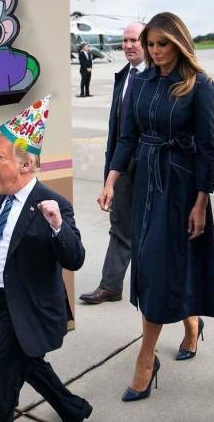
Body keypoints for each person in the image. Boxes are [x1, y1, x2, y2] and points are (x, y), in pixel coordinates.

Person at [98, 12, 214, 402]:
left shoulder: (199, 84)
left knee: (164, 263)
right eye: (150, 44)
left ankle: (145, 358)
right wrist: (110, 181)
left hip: (180, 186)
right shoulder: (141, 81)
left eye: (162, 44)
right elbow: (127, 137)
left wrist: (201, 202)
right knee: (153, 264)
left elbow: (206, 149)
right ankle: (191, 322)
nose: (155, 51)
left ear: (179, 42)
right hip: (145, 183)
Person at [0, 96, 93, 422]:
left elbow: (75, 259)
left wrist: (57, 226)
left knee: (0, 378)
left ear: (25, 165)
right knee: (30, 364)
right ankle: (74, 409)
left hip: (31, 308)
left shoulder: (52, 204)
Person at [79, 22, 145, 305]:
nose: (128, 45)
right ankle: (111, 286)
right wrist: (110, 175)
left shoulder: (158, 77)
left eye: (134, 40)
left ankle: (163, 293)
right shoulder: (124, 76)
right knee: (119, 226)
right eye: (125, 40)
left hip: (149, 169)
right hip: (122, 167)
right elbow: (117, 130)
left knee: (154, 233)